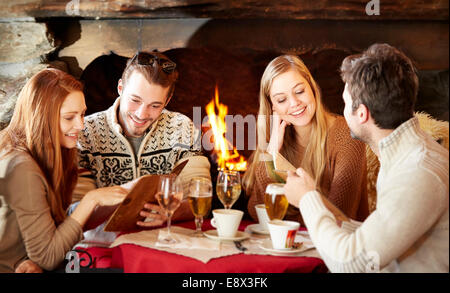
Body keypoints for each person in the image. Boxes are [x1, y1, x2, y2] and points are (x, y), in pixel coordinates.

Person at [284, 43, 449, 273]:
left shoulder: (417, 173)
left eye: (345, 103)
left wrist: (306, 199)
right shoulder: (405, 154)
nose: (342, 111)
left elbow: (351, 263)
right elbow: (383, 234)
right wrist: (320, 204)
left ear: (362, 113)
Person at [73, 51, 211, 241]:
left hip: (162, 244)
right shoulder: (84, 132)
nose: (141, 114)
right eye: (135, 100)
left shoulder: (182, 127)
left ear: (167, 101)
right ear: (120, 88)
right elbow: (75, 215)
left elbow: (201, 199)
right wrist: (130, 195)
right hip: (101, 248)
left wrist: (174, 212)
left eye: (155, 105)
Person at [0, 68, 128, 273]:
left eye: (82, 114)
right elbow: (48, 257)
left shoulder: (52, 150)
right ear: (42, 117)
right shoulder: (21, 167)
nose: (81, 125)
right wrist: (91, 200)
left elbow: (51, 233)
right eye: (69, 117)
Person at [242, 54, 369, 224]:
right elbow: (260, 213)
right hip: (289, 247)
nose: (294, 103)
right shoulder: (277, 141)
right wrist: (270, 155)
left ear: (312, 88)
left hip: (337, 247)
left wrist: (287, 217)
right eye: (282, 99)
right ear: (273, 106)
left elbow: (340, 216)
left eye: (300, 91)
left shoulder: (347, 135)